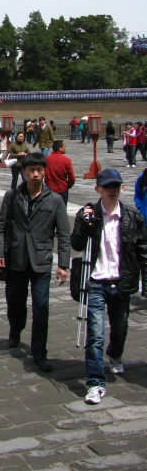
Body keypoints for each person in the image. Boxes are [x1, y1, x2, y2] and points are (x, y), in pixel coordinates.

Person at [71, 169, 147, 404]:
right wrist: (85, 225)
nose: (112, 190)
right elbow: (76, 243)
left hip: (122, 282)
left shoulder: (133, 217)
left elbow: (143, 251)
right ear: (98, 190)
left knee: (120, 328)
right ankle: (95, 382)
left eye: (116, 185)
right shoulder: (88, 214)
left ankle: (115, 355)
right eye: (107, 186)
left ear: (122, 188)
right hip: (97, 281)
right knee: (95, 335)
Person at [0, 153, 70, 372]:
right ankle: (16, 329)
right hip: (16, 259)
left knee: (42, 307)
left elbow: (64, 234)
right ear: (24, 172)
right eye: (31, 170)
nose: (36, 174)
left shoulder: (54, 200)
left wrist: (63, 264)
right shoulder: (12, 196)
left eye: (40, 170)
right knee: (15, 304)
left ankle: (39, 351)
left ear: (44, 171)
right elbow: (0, 226)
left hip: (41, 261)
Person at [45, 140, 76, 206]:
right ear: (60, 148)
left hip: (49, 189)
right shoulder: (66, 160)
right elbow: (72, 177)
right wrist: (68, 185)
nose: (65, 148)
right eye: (64, 146)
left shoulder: (46, 159)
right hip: (62, 189)